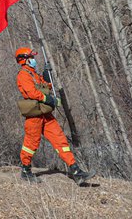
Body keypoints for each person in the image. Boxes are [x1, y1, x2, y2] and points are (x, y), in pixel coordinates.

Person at [15, 48, 94, 184]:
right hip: (35, 115)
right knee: (31, 143)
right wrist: (49, 99)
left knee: (60, 140)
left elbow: (46, 86)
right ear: (25, 59)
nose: (34, 60)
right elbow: (32, 93)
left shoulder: (34, 74)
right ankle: (26, 170)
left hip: (46, 114)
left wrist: (46, 75)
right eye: (31, 58)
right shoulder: (23, 75)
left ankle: (76, 171)